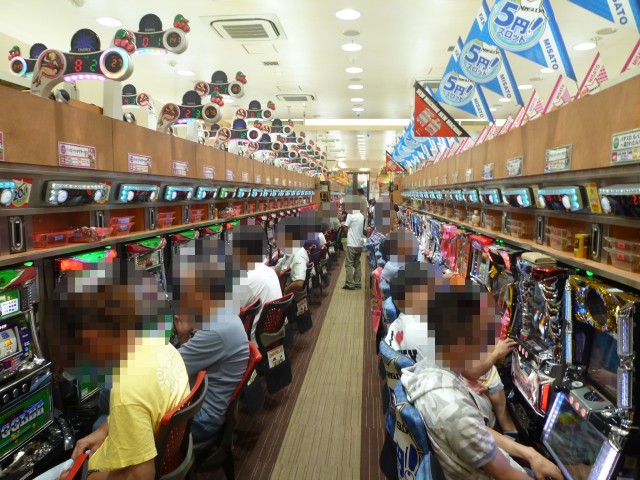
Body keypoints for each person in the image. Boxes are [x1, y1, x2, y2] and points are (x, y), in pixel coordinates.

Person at [37, 261, 190, 480]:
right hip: (149, 453)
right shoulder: (162, 346)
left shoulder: (126, 390)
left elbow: (141, 476)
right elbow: (145, 412)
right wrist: (103, 431)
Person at [401, 284, 563, 480]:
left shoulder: (429, 368)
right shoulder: (455, 411)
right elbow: (506, 475)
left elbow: (478, 430)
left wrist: (530, 454)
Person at [171, 238, 249, 446]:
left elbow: (170, 370)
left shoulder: (217, 329)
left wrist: (181, 337)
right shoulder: (224, 313)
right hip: (208, 405)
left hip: (203, 418)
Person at [273, 216, 319, 295]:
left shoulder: (298, 255)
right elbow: (277, 268)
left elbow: (299, 283)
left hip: (287, 292)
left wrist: (283, 293)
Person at [341, 195, 365, 290]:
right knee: (357, 263)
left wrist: (343, 225)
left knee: (349, 264)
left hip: (351, 243)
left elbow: (346, 229)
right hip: (359, 244)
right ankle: (357, 282)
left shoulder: (350, 215)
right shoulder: (361, 216)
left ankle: (350, 284)